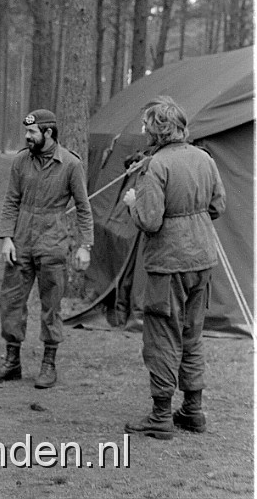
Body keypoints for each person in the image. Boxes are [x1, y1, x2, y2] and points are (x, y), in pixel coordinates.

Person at [122, 96, 226, 439]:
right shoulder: (205, 159)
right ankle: (193, 411)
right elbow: (217, 206)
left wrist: (132, 203)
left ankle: (161, 416)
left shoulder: (156, 167)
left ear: (158, 130)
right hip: (203, 258)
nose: (144, 131)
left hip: (169, 263)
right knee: (191, 335)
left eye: (147, 126)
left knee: (162, 335)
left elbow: (150, 222)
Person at [0, 109, 94, 389]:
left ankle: (48, 364)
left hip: (54, 241)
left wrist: (85, 245)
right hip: (21, 239)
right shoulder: (21, 160)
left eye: (32, 132)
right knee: (11, 301)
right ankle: (12, 362)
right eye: (26, 132)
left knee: (51, 304)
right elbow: (11, 201)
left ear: (48, 133)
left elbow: (83, 207)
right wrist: (6, 237)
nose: (27, 137)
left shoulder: (70, 164)